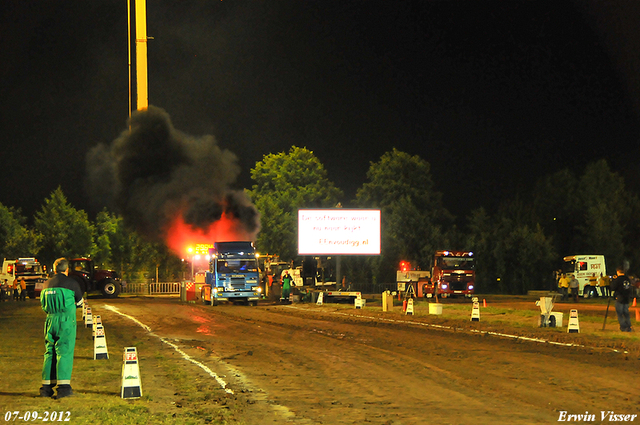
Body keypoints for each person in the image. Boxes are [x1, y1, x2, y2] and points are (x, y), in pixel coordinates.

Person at [39, 258, 84, 399]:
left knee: (49, 352)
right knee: (64, 352)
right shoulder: (71, 283)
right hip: (65, 321)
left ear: (54, 269)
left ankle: (46, 388)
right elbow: (80, 302)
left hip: (50, 321)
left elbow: (42, 304)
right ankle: (63, 388)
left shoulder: (46, 284)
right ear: (67, 269)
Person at [609, 265, 633, 332]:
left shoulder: (618, 279)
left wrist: (612, 281)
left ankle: (623, 327)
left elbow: (613, 287)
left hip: (620, 297)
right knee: (626, 313)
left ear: (617, 271)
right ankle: (628, 326)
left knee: (619, 313)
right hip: (627, 298)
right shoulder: (627, 279)